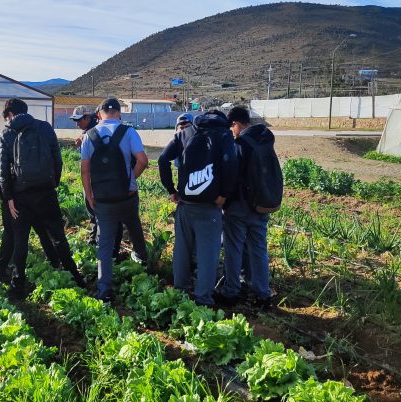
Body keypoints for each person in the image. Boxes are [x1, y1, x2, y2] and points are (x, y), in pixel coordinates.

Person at [0, 98, 84, 298]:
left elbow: (3, 170)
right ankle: (75, 275)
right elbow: (57, 159)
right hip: (46, 192)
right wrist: (52, 183)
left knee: (21, 240)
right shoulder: (45, 128)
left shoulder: (7, 132)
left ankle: (17, 285)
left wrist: (9, 198)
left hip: (20, 196)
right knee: (58, 237)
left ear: (10, 114)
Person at [158, 110, 238, 306]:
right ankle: (203, 298)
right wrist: (224, 194)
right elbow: (230, 161)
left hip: (185, 204)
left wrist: (171, 189)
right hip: (209, 206)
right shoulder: (223, 134)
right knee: (208, 254)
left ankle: (179, 291)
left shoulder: (185, 133)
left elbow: (162, 160)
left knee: (182, 249)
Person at [81, 97, 149, 303]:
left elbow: (85, 170)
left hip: (103, 198)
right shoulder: (128, 132)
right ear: (119, 113)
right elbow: (143, 161)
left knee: (105, 243)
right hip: (127, 195)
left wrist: (89, 195)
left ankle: (104, 290)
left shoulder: (89, 135)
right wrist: (130, 180)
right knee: (134, 227)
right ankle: (143, 262)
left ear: (99, 114)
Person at [215, 106, 275, 310]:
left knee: (233, 249)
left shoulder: (240, 144)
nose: (231, 132)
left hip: (238, 208)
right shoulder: (265, 140)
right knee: (259, 249)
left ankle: (231, 292)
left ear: (236, 124)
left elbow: (231, 176)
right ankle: (262, 294)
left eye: (231, 128)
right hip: (261, 206)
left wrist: (224, 200)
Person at [71, 105, 122, 255]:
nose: (77, 123)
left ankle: (106, 250)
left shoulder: (93, 133)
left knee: (103, 216)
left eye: (79, 120)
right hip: (108, 182)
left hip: (99, 183)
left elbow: (87, 166)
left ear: (88, 117)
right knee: (97, 215)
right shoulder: (88, 133)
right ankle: (97, 241)